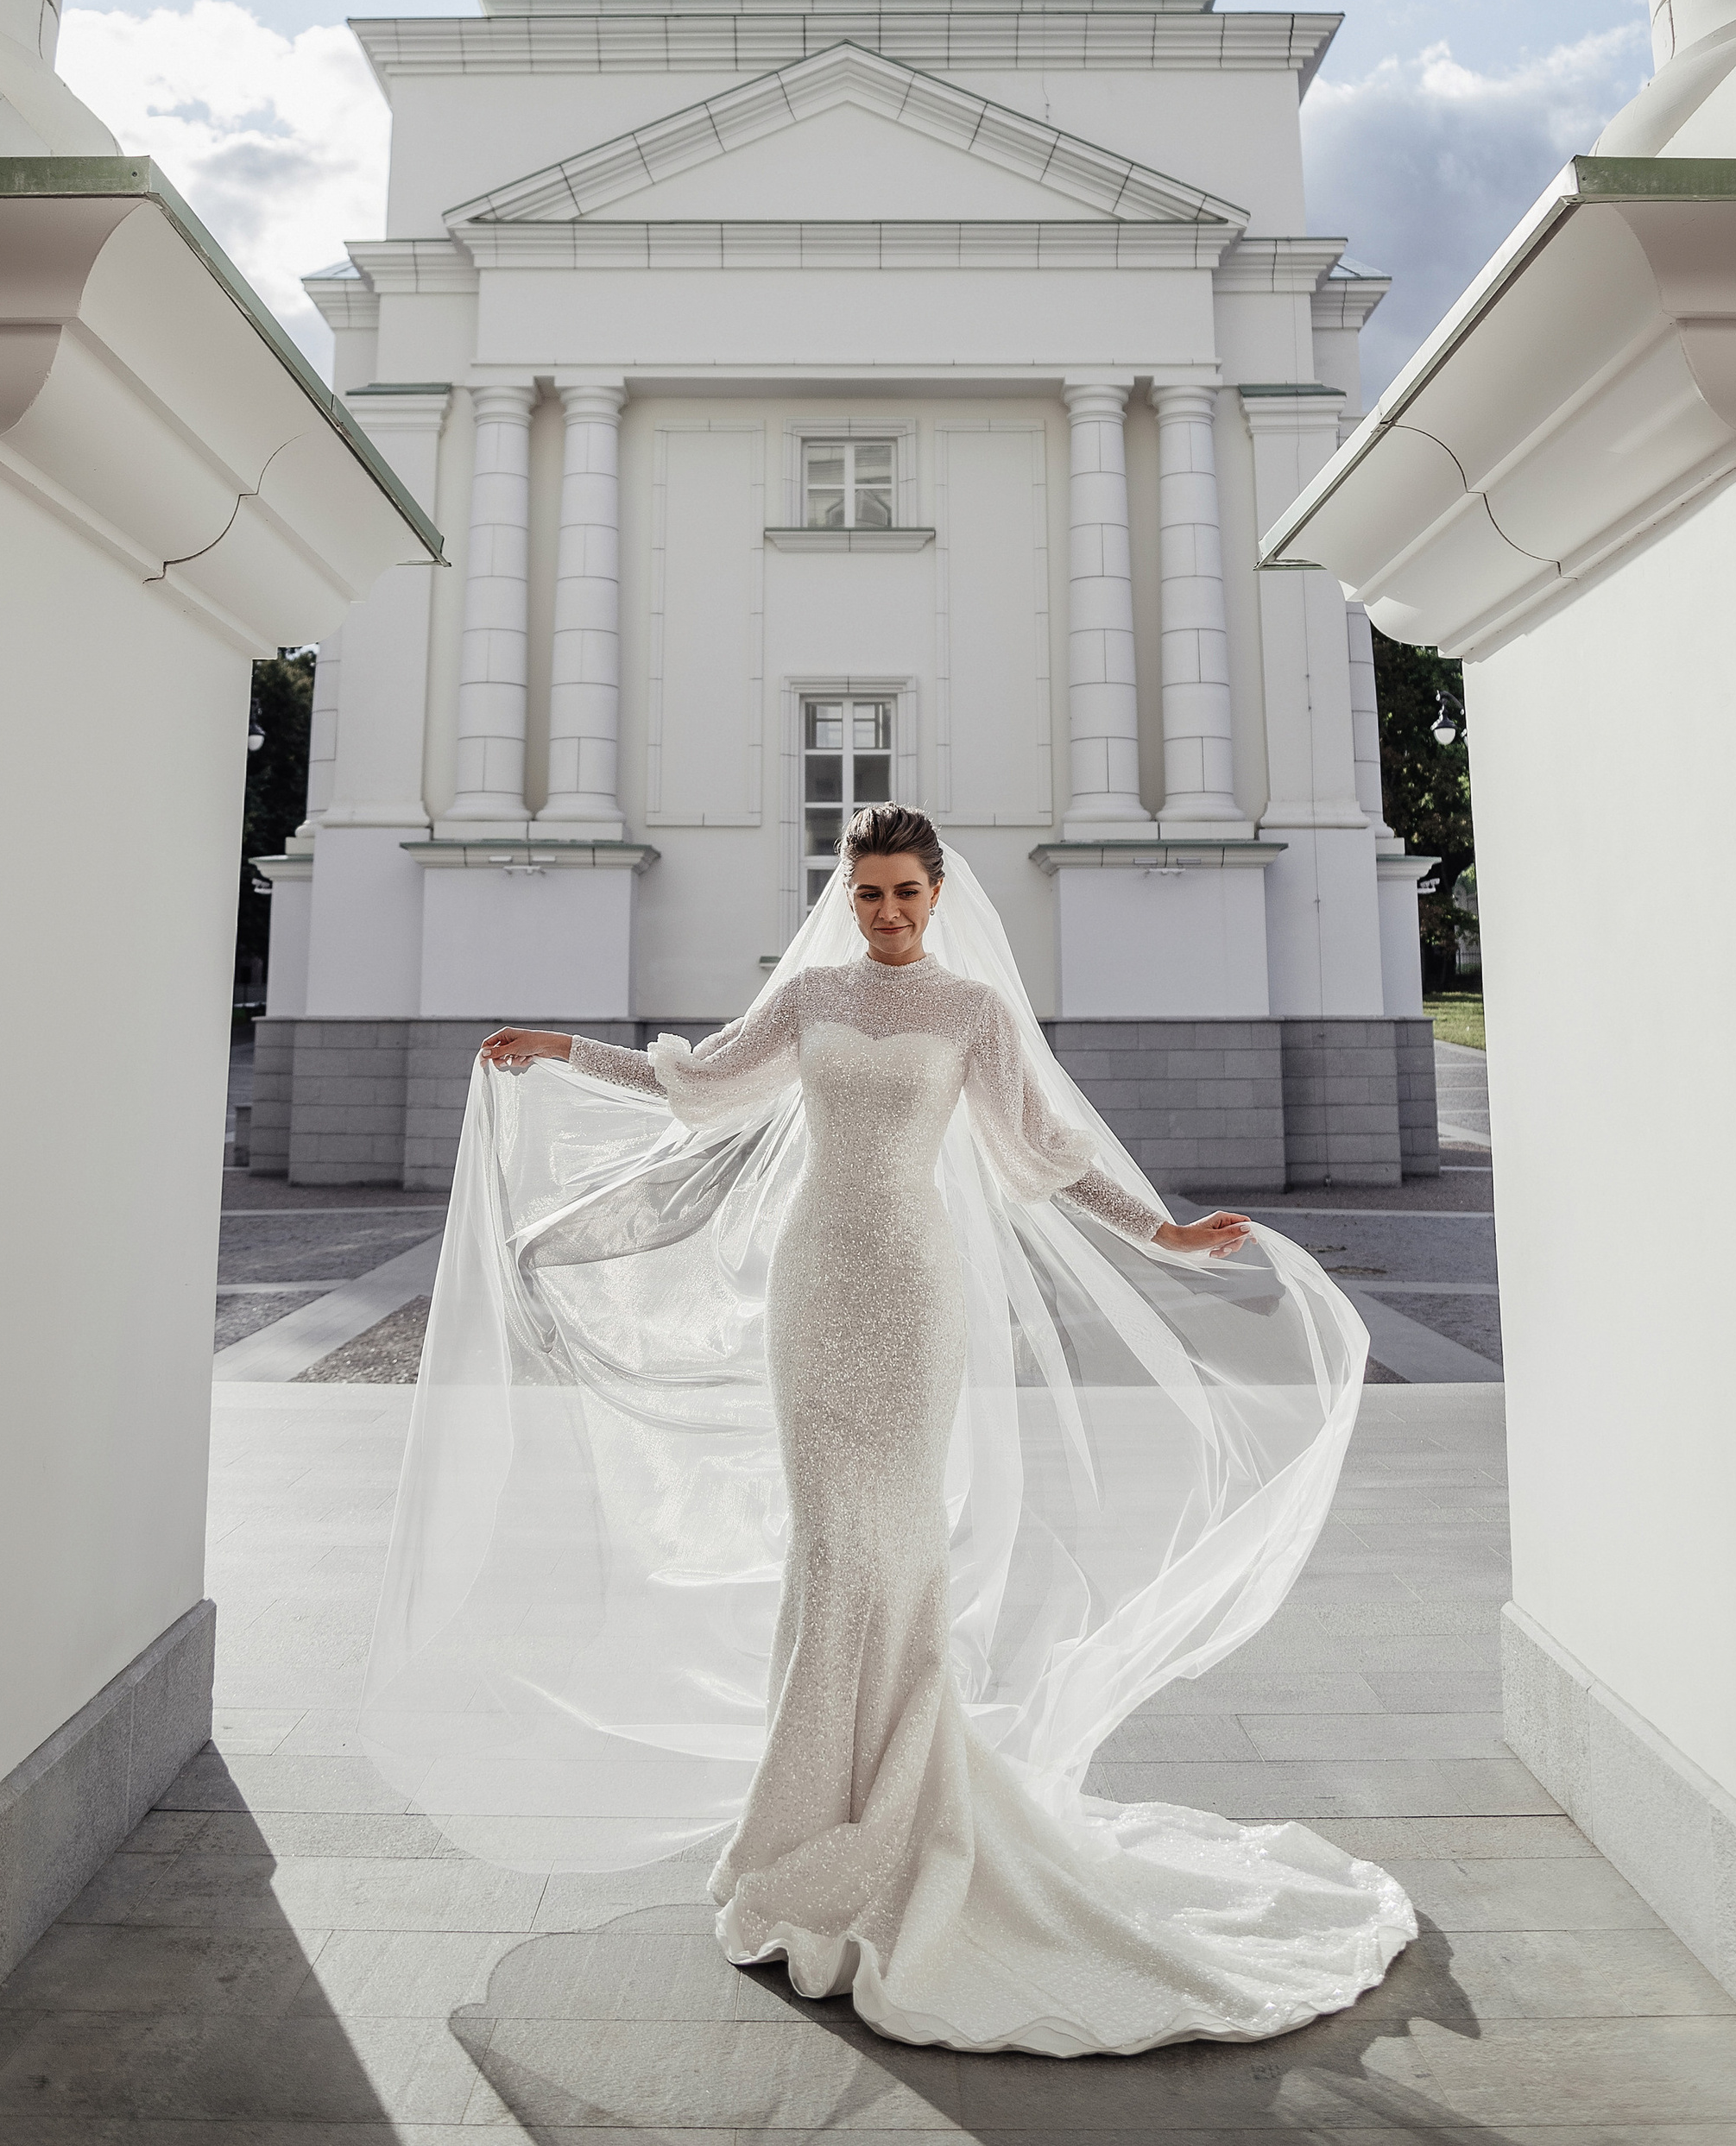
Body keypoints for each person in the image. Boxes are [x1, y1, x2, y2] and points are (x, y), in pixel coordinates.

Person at [363, 803, 1414, 2058]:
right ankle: (807, 1814)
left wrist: (1164, 1232)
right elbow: (692, 1085)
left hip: (913, 1292)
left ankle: (903, 1803)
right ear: (845, 895)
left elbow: (1044, 1156)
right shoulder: (808, 997)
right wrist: (563, 1049)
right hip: (817, 1285)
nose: (889, 915)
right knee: (829, 1546)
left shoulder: (970, 1013)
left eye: (906, 893)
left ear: (937, 891)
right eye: (868, 895)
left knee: (894, 1545)